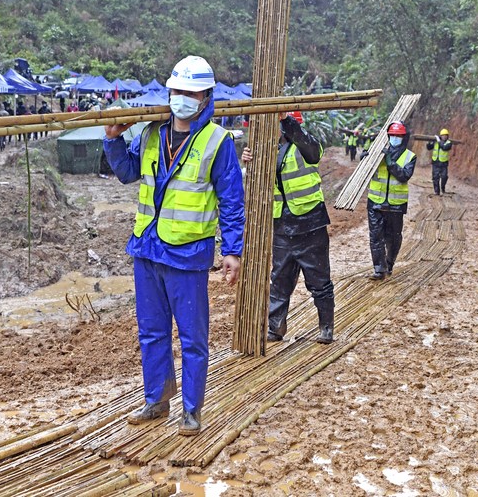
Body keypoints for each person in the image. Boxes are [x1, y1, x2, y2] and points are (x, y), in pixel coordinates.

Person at [103, 55, 245, 436]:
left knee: (193, 337)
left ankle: (192, 410)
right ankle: (156, 400)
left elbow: (232, 200)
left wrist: (232, 250)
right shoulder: (151, 133)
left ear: (205, 97)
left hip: (187, 254)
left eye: (190, 92)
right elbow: (126, 173)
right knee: (151, 332)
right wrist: (114, 139)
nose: (181, 98)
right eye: (176, 91)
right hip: (148, 249)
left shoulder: (218, 142)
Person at [241, 111, 335, 344]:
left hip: (310, 223)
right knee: (280, 280)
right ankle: (276, 327)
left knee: (319, 280)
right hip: (282, 225)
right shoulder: (268, 150)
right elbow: (255, 185)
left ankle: (326, 327)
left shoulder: (307, 145)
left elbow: (309, 148)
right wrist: (250, 164)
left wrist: (286, 120)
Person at [367, 121, 416, 280]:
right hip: (375, 202)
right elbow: (366, 169)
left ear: (404, 137)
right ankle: (379, 269)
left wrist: (390, 163)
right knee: (376, 236)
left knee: (394, 237)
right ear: (387, 136)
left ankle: (389, 263)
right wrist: (365, 158)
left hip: (396, 205)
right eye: (392, 135)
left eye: (399, 135)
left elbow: (404, 176)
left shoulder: (409, 156)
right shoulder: (377, 153)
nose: (395, 138)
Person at [426, 128, 452, 195]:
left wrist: (438, 141)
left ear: (447, 136)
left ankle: (443, 188)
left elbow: (444, 147)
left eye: (446, 135)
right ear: (441, 136)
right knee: (435, 177)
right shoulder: (436, 142)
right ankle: (437, 191)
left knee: (444, 177)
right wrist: (429, 142)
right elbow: (429, 148)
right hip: (435, 163)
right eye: (443, 135)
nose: (444, 137)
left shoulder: (449, 143)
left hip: (444, 164)